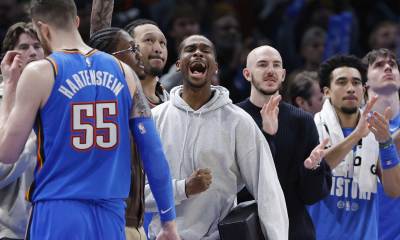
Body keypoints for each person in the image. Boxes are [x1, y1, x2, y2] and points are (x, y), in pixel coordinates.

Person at [0, 0, 180, 239]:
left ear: (42, 29)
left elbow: (7, 153)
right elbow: (154, 154)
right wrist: (169, 222)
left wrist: (10, 87)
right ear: (76, 21)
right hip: (111, 216)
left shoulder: (41, 72)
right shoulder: (125, 72)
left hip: (58, 212)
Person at [145, 35, 288, 240]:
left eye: (205, 50)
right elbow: (134, 193)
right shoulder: (155, 119)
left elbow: (268, 192)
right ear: (178, 65)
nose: (198, 53)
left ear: (215, 67)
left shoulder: (238, 122)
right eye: (190, 49)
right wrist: (183, 188)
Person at [238, 45, 332, 240]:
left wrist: (312, 169)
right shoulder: (234, 118)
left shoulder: (303, 121)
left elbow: (312, 196)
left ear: (283, 75)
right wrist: (267, 136)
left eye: (276, 65)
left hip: (294, 230)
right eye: (262, 65)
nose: (270, 70)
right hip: (246, 230)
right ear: (247, 74)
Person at [308, 54, 400, 239]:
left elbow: (393, 190)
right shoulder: (310, 127)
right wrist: (357, 135)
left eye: (356, 83)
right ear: (326, 92)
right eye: (342, 82)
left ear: (364, 90)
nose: (350, 88)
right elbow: (315, 173)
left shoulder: (376, 133)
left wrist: (386, 142)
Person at [88, 27, 148, 240]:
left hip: (137, 225)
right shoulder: (97, 106)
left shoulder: (132, 101)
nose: (139, 54)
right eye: (132, 49)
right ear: (110, 59)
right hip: (108, 223)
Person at [0, 21, 43, 240]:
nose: (33, 53)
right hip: (8, 230)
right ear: (9, 57)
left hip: (50, 225)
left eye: (37, 46)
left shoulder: (57, 101)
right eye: (24, 47)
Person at [363, 48, 400, 240]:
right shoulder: (352, 124)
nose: (388, 67)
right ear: (365, 82)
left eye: (392, 64)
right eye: (379, 65)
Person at [125, 19, 169, 108]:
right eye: (148, 40)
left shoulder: (173, 103)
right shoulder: (117, 97)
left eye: (162, 43)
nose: (158, 49)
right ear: (129, 48)